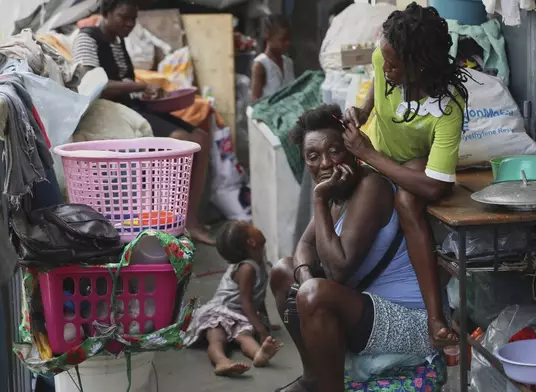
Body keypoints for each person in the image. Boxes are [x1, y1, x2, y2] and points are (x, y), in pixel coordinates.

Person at [270, 104, 445, 392]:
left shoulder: (369, 186)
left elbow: (338, 270)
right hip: (362, 308)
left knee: (315, 294)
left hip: (408, 321)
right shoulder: (334, 191)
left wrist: (318, 201)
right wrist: (302, 276)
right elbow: (303, 244)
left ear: (352, 150)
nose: (325, 163)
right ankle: (314, 377)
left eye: (335, 151)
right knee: (282, 271)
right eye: (313, 157)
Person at [343, 3, 470, 347]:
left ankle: (434, 318)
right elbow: (376, 79)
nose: (386, 70)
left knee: (409, 195)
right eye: (384, 61)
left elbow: (436, 185)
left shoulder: (447, 106)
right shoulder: (385, 59)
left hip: (412, 173)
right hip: (376, 161)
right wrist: (364, 109)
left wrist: (367, 153)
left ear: (421, 65)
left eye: (395, 65)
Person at [71, 0, 215, 245]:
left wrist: (147, 94)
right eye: (123, 17)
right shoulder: (87, 38)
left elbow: (125, 84)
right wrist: (140, 86)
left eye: (133, 19)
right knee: (179, 141)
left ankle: (191, 221)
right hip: (108, 112)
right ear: (105, 13)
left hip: (129, 107)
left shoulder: (118, 41)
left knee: (200, 138)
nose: (129, 24)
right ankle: (166, 223)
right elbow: (93, 84)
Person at [183, 221, 282, 376]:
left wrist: (264, 321)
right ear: (251, 241)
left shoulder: (262, 262)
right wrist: (261, 329)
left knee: (244, 336)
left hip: (240, 315)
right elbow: (246, 302)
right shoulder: (247, 268)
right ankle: (221, 361)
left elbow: (258, 297)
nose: (256, 226)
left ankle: (259, 354)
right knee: (217, 338)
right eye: (252, 228)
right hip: (221, 312)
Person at [250, 15, 294, 102]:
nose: (287, 43)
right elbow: (255, 101)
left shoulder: (288, 63)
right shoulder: (260, 65)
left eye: (289, 39)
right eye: (283, 39)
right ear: (268, 36)